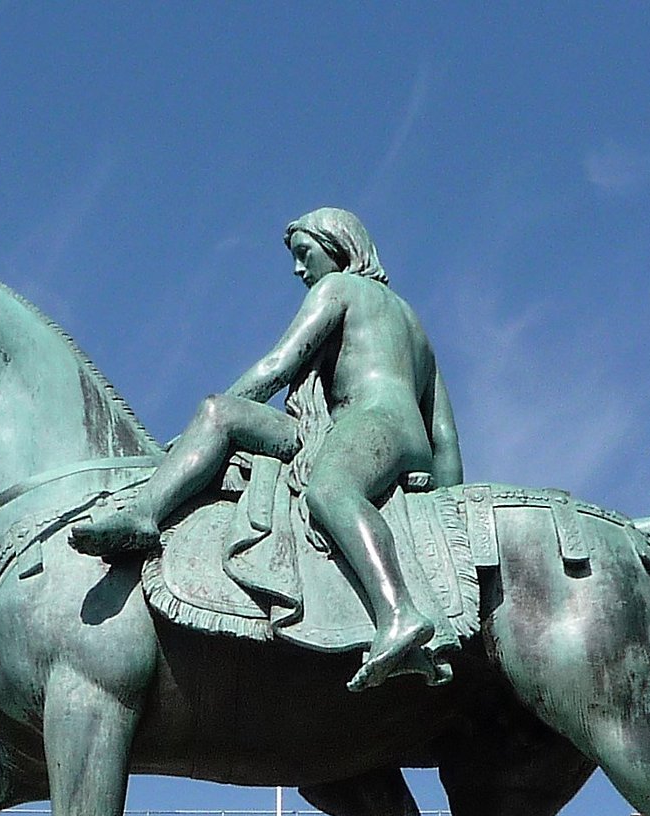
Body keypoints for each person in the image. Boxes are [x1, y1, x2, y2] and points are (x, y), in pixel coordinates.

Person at [71, 208, 462, 691]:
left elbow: (280, 364)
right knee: (219, 413)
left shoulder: (339, 288)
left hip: (371, 422)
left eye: (305, 254)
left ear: (338, 247)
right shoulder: (415, 325)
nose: (300, 270)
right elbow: (442, 431)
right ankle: (145, 512)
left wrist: (234, 402)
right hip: (392, 434)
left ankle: (398, 613)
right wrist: (446, 499)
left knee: (330, 492)